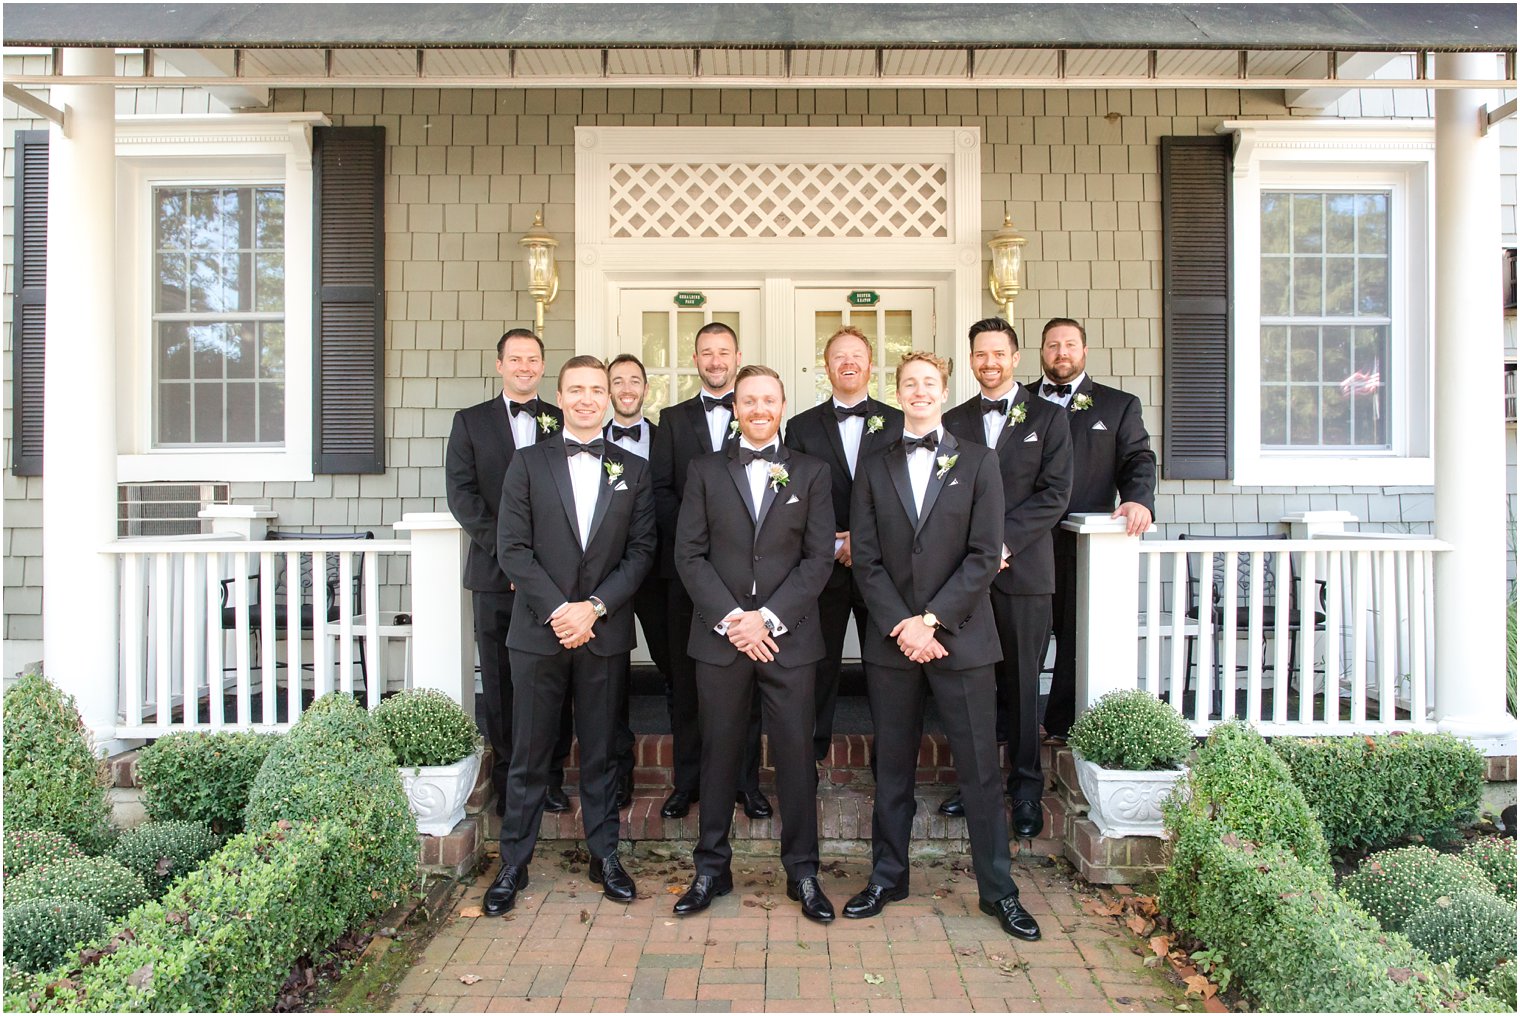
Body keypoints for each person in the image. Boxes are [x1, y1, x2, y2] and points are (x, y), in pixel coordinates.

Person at [845, 351, 1039, 941]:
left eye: (930, 383)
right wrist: (905, 624)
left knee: (981, 769)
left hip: (962, 638)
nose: (920, 390)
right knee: (894, 764)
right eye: (910, 383)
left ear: (944, 390)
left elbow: (985, 554)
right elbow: (867, 558)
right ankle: (887, 876)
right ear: (897, 391)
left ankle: (997, 890)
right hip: (893, 641)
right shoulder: (873, 467)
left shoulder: (979, 462)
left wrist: (933, 620)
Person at [484, 355, 656, 916]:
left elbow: (641, 552)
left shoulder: (633, 469)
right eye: (576, 389)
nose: (587, 399)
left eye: (597, 390)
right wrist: (561, 608)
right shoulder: (527, 464)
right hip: (538, 631)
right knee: (530, 751)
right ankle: (514, 859)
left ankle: (604, 853)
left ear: (609, 398)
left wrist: (594, 608)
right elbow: (513, 548)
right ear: (560, 398)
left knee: (603, 749)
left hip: (603, 634)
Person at [671, 365, 837, 923]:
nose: (759, 408)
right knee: (718, 753)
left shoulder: (812, 473)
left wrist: (767, 619)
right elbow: (688, 554)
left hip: (790, 641)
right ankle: (711, 869)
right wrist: (732, 620)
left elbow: (818, 560)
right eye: (749, 400)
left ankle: (804, 873)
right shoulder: (703, 469)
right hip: (719, 640)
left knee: (795, 756)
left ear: (783, 404)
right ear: (735, 407)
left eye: (769, 399)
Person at [939, 318, 1072, 839]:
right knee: (970, 684)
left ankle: (1025, 789)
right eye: (980, 354)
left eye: (998, 353)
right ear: (971, 360)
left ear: (1015, 357)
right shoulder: (952, 421)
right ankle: (973, 784)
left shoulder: (1049, 418)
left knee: (1020, 684)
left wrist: (1002, 543)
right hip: (965, 576)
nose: (989, 362)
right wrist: (975, 553)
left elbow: (1054, 494)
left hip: (1024, 574)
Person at [445, 328, 573, 818]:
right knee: (499, 681)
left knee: (553, 679)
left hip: (555, 579)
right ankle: (509, 780)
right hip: (495, 576)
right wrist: (510, 556)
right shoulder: (470, 423)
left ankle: (553, 775)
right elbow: (463, 497)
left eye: (533, 359)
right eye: (515, 359)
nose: (524, 366)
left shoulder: (564, 421)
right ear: (499, 364)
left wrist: (539, 567)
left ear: (543, 366)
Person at [649, 322, 765, 821]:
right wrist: (705, 535)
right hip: (689, 576)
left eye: (723, 352)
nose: (715, 361)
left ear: (737, 355)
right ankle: (688, 780)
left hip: (750, 577)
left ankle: (748, 783)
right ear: (695, 358)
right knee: (689, 680)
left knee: (751, 679)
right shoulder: (672, 420)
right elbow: (661, 492)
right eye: (706, 353)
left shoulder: (759, 415)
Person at [783, 327, 903, 761]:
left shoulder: (898, 423)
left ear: (871, 364)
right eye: (838, 356)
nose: (848, 362)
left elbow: (905, 498)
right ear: (826, 366)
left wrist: (863, 539)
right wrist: (833, 542)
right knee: (820, 664)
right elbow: (793, 499)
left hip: (884, 569)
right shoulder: (799, 427)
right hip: (823, 567)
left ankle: (888, 753)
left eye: (856, 355)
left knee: (887, 667)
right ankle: (812, 754)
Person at [1035, 317, 1156, 740]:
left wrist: (1138, 498)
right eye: (1052, 345)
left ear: (1084, 351)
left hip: (1081, 544)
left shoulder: (1117, 405)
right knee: (1022, 636)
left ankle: (1062, 724)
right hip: (1026, 541)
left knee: (1073, 634)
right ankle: (1012, 723)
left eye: (1069, 344)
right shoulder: (1021, 402)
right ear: (1041, 352)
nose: (1061, 353)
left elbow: (1138, 458)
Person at [601, 352, 673, 809]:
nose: (626, 388)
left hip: (661, 572)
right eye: (618, 381)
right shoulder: (589, 441)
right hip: (605, 577)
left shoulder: (668, 440)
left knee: (674, 670)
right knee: (609, 677)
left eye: (635, 380)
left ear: (646, 389)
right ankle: (617, 770)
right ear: (608, 390)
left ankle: (687, 771)